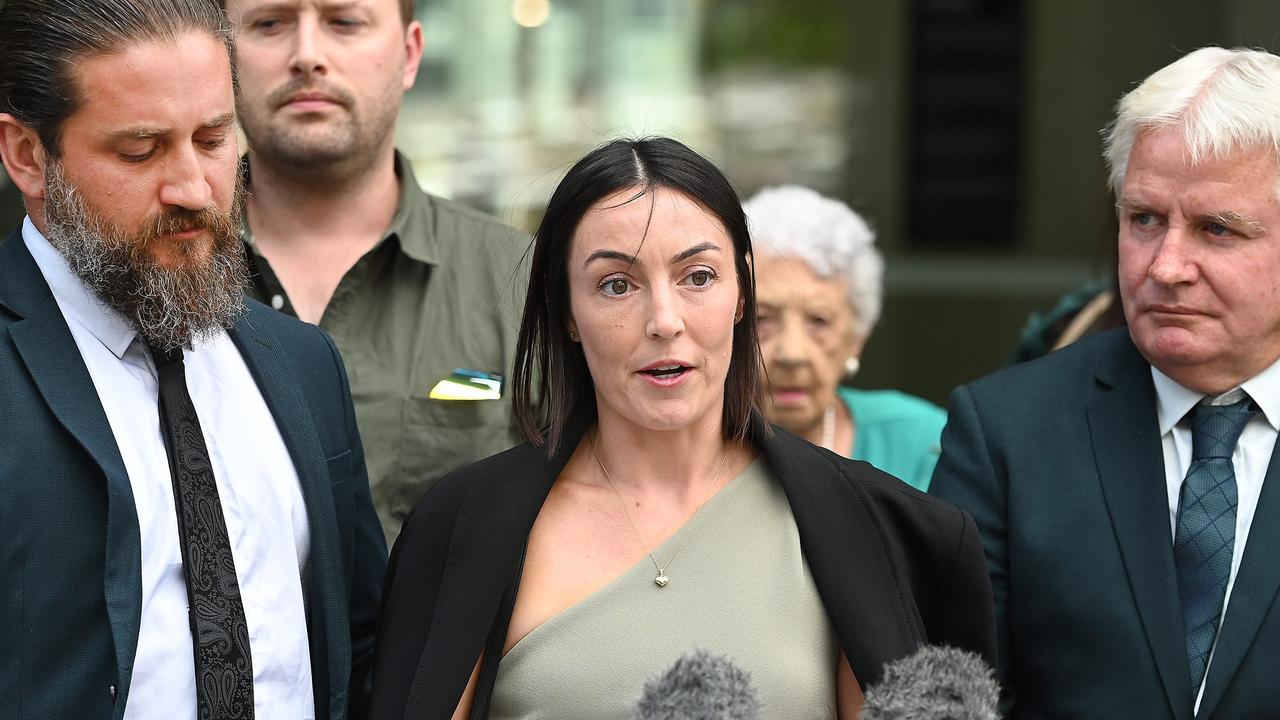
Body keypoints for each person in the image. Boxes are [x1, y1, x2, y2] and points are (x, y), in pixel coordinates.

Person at [369, 137, 996, 719]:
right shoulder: (459, 528)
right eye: (616, 285)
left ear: (743, 291)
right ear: (566, 312)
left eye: (698, 276)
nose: (664, 320)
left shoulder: (877, 531)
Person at [0, 1, 385, 717]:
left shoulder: (303, 366)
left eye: (213, 138)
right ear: (27, 154)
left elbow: (361, 648)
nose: (193, 188)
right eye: (140, 151)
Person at [931, 46, 1280, 718]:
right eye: (1144, 219)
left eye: (1217, 229)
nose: (1167, 266)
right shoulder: (1007, 431)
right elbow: (954, 699)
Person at [222, 0, 529, 543]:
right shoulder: (155, 281)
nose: (307, 55)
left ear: (410, 55)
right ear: (221, 53)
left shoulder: (521, 284)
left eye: (344, 22)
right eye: (270, 23)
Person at [744, 185, 946, 490]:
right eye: (762, 319)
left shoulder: (923, 440)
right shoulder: (680, 449)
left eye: (819, 321)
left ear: (856, 341)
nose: (792, 353)